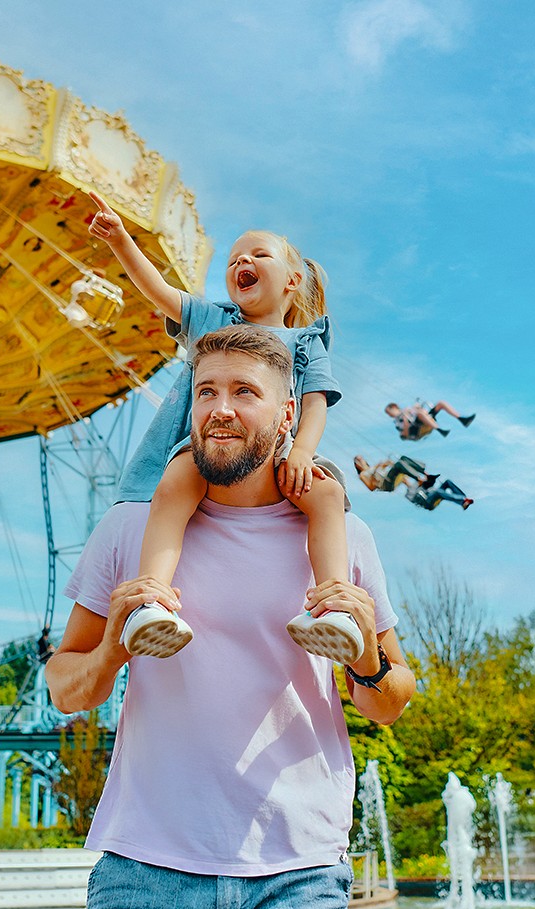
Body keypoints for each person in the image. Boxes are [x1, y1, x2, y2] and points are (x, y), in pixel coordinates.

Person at [46, 325, 414, 909]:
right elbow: (66, 688)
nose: (221, 408)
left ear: (287, 416)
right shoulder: (129, 530)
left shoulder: (345, 536)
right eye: (206, 390)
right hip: (145, 873)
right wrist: (110, 651)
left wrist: (362, 654)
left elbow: (390, 700)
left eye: (245, 392)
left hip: (296, 881)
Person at [87, 192, 362, 664]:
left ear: (293, 280)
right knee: (177, 481)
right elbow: (159, 292)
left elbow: (315, 404)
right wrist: (121, 241)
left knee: (328, 495)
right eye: (235, 259)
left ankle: (334, 606)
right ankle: (151, 599)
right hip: (211, 445)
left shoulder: (307, 341)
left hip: (276, 452)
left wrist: (301, 453)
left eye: (258, 255)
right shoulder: (216, 320)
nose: (243, 262)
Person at [384, 399, 475, 441]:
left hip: (424, 418)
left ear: (395, 407)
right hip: (416, 428)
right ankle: (439, 429)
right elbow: (405, 436)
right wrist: (405, 422)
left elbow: (418, 411)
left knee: (440, 403)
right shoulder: (397, 423)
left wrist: (417, 407)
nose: (389, 415)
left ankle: (462, 419)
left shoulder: (407, 409)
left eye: (389, 412)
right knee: (420, 414)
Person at [353, 455, 437, 494]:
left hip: (387, 477)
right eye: (359, 460)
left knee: (403, 458)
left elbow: (381, 469)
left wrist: (385, 464)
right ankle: (419, 480)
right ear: (356, 465)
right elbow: (371, 488)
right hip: (385, 483)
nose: (361, 461)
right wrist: (374, 472)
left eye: (362, 459)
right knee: (399, 465)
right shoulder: (362, 475)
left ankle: (425, 473)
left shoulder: (373, 466)